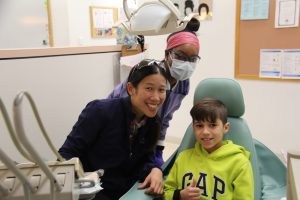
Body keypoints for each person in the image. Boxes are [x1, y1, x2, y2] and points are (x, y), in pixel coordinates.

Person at [59, 59, 168, 200]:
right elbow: (66, 155)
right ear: (131, 89)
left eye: (161, 90)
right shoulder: (100, 111)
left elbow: (145, 160)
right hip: (92, 191)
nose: (156, 97)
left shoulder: (152, 122)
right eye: (149, 88)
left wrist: (155, 169)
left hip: (126, 192)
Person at [108, 18, 200, 167]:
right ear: (167, 54)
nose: (186, 64)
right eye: (181, 57)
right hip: (117, 129)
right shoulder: (147, 73)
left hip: (145, 135)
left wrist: (158, 149)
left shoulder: (183, 84)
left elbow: (164, 119)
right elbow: (121, 113)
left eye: (193, 59)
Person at [163, 98, 254, 200]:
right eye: (199, 126)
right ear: (193, 128)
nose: (205, 131)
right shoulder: (183, 158)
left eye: (212, 125)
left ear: (225, 127)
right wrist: (180, 195)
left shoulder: (240, 163)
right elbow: (166, 192)